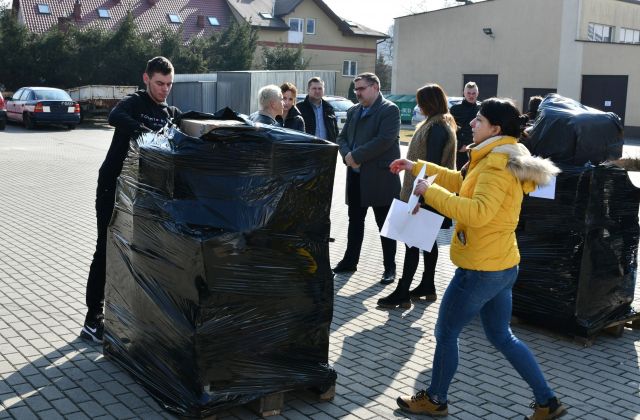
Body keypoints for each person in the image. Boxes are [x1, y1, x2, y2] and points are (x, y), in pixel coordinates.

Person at [391, 98, 566, 420]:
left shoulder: (497, 165)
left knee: (445, 332)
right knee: (501, 335)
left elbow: (478, 212)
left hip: (481, 268)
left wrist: (427, 192)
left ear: (495, 129)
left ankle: (436, 398)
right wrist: (418, 168)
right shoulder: (493, 158)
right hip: (500, 264)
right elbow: (463, 184)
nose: (471, 123)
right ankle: (547, 402)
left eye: (479, 120)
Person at [81, 56, 181, 343]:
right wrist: (144, 132)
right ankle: (92, 320)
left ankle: (127, 314)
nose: (164, 89)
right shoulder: (135, 103)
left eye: (169, 84)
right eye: (160, 83)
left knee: (138, 251)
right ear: (146, 78)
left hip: (143, 192)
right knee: (105, 249)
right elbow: (115, 117)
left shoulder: (171, 113)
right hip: (112, 185)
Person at [377, 84, 457, 309]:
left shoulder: (437, 127)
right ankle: (427, 286)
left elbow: (431, 166)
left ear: (429, 102)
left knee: (412, 244)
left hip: (425, 196)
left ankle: (403, 293)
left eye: (420, 101)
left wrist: (419, 200)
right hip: (428, 195)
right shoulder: (438, 123)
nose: (418, 106)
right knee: (427, 243)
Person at [333, 72, 401, 285]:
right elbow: (341, 137)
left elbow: (385, 140)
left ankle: (389, 267)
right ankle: (350, 261)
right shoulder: (354, 110)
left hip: (380, 179)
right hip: (355, 177)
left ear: (375, 87)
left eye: (361, 88)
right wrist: (347, 155)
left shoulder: (389, 110)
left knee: (385, 226)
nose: (357, 93)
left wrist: (357, 155)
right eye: (356, 89)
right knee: (355, 222)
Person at [296, 76, 339, 142]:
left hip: (327, 149)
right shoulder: (299, 108)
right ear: (308, 90)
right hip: (308, 149)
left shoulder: (329, 108)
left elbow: (335, 132)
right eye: (314, 88)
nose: (317, 91)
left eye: (320, 88)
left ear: (323, 90)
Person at [449, 81, 480, 170]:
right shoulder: (455, 109)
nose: (471, 96)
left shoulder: (481, 108)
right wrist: (459, 146)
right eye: (468, 93)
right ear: (464, 93)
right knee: (460, 176)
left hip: (478, 148)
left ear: (477, 93)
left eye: (474, 93)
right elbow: (451, 129)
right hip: (461, 150)